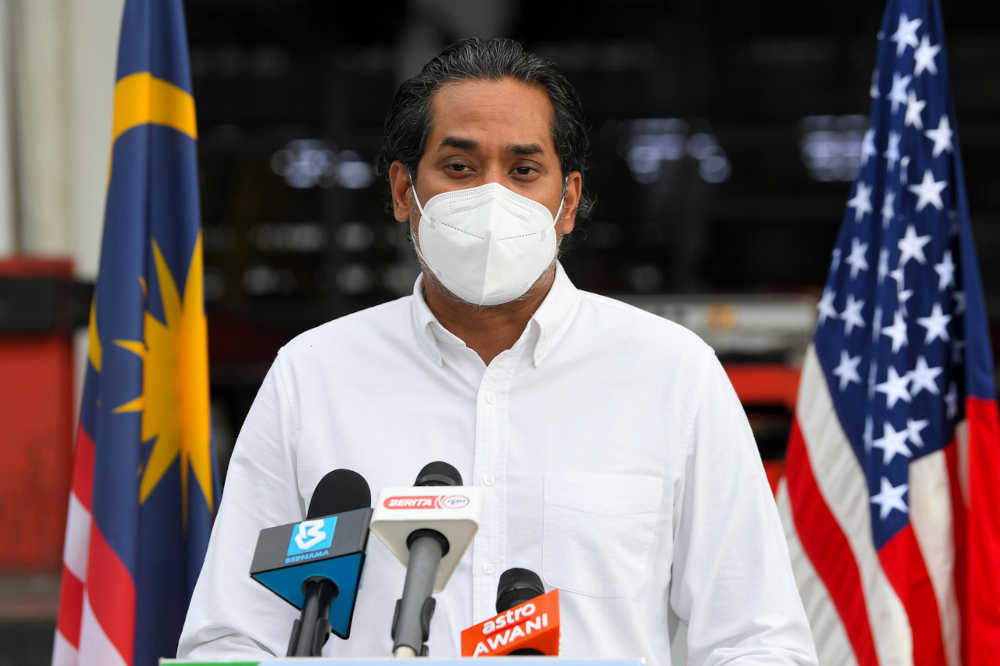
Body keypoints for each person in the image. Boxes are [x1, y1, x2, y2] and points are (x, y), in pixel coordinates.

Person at [178, 37, 817, 665]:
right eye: (459, 167)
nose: (492, 196)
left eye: (523, 171)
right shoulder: (312, 377)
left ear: (568, 202)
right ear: (403, 191)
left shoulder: (673, 375)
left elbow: (757, 642)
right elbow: (232, 638)